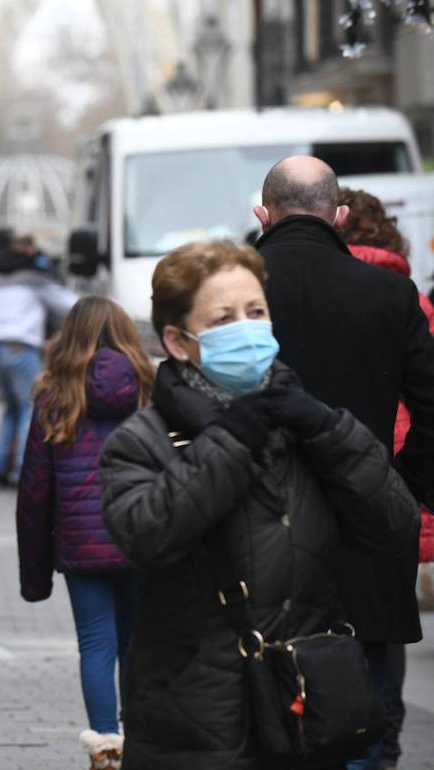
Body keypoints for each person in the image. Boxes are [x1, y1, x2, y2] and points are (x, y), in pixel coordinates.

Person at [98, 239, 417, 768]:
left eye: (256, 312)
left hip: (303, 711)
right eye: (223, 318)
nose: (247, 328)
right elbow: (146, 535)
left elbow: (395, 526)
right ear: (178, 342)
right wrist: (230, 441)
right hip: (196, 720)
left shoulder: (306, 425)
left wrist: (330, 432)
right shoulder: (141, 440)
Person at [255, 158, 434, 770]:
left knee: (260, 711)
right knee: (361, 717)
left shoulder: (238, 297)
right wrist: (401, 490)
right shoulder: (389, 292)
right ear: (339, 216)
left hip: (258, 527)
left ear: (263, 212)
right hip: (365, 525)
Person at [15, 296, 153, 770]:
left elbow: (35, 492)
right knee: (138, 641)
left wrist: (34, 576)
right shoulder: (148, 390)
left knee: (96, 643)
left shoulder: (55, 396)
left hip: (81, 544)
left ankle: (106, 747)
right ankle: (143, 736)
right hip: (142, 536)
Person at [338, 185, 434, 770]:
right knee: (389, 613)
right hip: (395, 480)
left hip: (340, 470)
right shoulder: (410, 298)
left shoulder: (325, 288)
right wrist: (412, 479)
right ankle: (387, 736)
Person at [0, 230, 79, 487]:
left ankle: (0, 464)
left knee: (12, 408)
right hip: (19, 346)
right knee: (32, 407)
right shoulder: (32, 279)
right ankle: (25, 468)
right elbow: (68, 304)